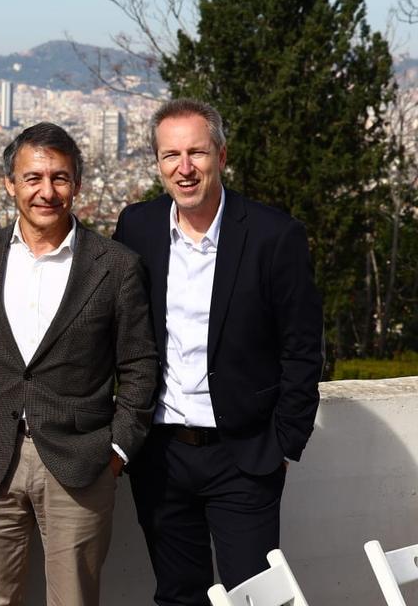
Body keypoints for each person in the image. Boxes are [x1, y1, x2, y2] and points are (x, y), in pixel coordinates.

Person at [113, 98, 323, 605]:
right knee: (178, 594)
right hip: (161, 454)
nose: (184, 169)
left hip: (245, 455)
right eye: (171, 155)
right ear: (158, 163)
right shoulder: (137, 228)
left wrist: (283, 443)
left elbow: (303, 347)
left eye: (197, 153)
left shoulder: (274, 235)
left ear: (221, 156)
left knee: (254, 596)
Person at [0, 123, 158, 606]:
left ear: (77, 184)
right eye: (32, 178)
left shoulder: (115, 264)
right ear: (9, 184)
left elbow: (138, 363)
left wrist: (118, 451)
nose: (46, 192)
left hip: (82, 460)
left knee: (73, 599)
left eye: (60, 178)